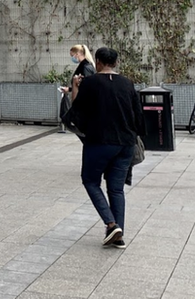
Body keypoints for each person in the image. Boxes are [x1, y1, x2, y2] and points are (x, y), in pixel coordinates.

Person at [67, 47, 144, 249]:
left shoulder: (91, 83)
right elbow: (139, 117)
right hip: (126, 143)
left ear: (98, 62)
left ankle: (111, 224)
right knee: (116, 189)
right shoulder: (127, 84)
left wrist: (76, 87)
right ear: (116, 63)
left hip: (100, 142)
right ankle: (118, 235)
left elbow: (77, 111)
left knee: (90, 181)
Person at [59, 45, 96, 134]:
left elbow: (85, 84)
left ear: (78, 54)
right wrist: (70, 89)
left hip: (83, 102)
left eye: (72, 55)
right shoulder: (86, 65)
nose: (72, 58)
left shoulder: (85, 67)